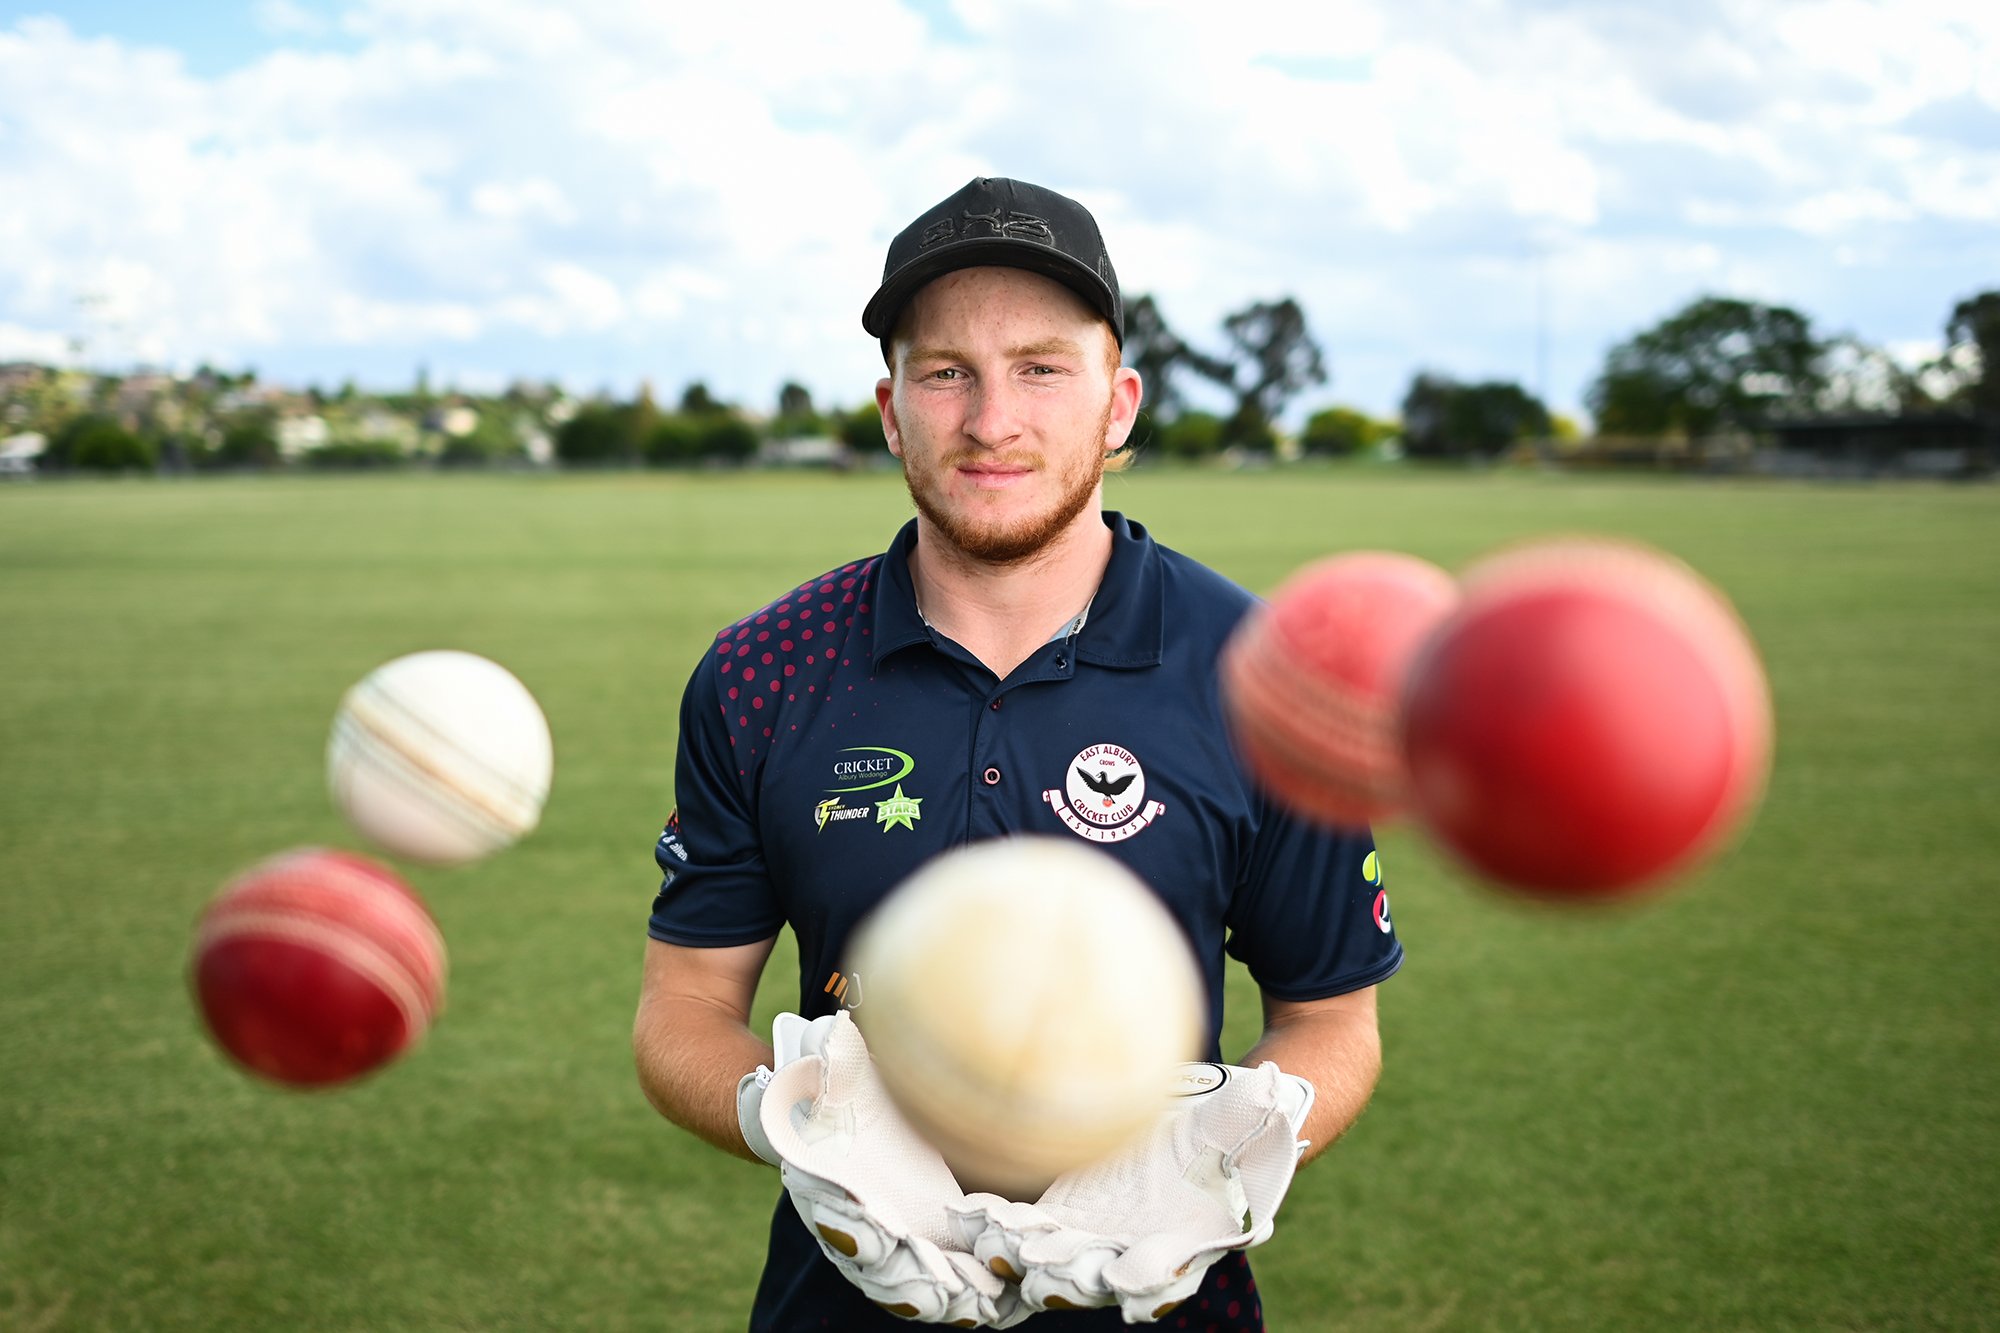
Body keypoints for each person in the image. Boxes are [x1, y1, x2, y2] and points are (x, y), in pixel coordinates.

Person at [633, 176, 1402, 1331]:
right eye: (945, 372)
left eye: (1040, 367)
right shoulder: (759, 672)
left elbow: (1331, 1016)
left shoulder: (1265, 674)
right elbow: (682, 1001)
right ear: (891, 410)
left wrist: (1204, 1166)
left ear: (1118, 403)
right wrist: (794, 1121)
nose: (991, 419)